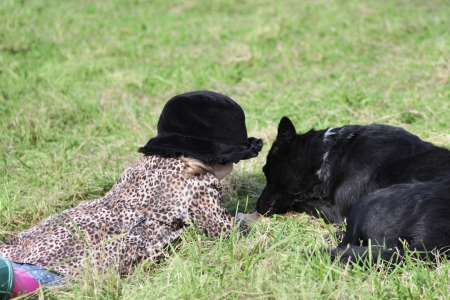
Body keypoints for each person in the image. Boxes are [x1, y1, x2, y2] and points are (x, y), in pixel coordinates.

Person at [0, 91, 263, 298]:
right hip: (110, 245)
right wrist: (249, 220)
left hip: (77, 222)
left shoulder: (148, 162)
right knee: (57, 272)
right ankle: (10, 281)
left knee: (25, 251)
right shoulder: (198, 184)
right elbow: (222, 233)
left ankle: (6, 269)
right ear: (219, 159)